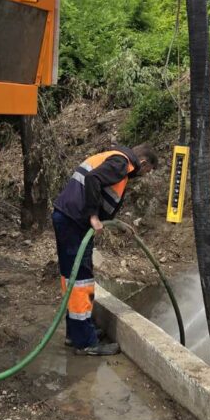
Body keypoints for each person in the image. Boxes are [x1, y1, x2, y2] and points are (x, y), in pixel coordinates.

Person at [52, 143, 158, 355]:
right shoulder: (122, 163)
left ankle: (77, 332)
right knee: (81, 281)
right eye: (147, 171)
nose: (144, 175)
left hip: (69, 218)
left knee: (74, 279)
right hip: (75, 221)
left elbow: (100, 191)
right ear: (143, 163)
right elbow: (93, 180)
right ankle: (86, 343)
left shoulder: (114, 157)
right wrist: (92, 216)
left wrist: (117, 223)